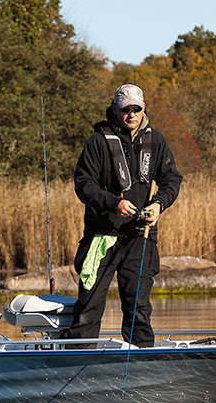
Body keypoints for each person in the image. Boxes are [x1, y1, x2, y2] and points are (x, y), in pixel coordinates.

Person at [63, 83, 182, 347]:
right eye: (126, 110)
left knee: (138, 307)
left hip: (140, 237)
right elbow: (84, 184)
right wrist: (113, 204)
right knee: (89, 307)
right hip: (101, 238)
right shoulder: (97, 142)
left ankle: (141, 360)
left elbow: (172, 179)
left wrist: (159, 204)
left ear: (143, 109)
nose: (131, 115)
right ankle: (77, 357)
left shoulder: (156, 141)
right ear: (116, 111)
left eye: (136, 109)